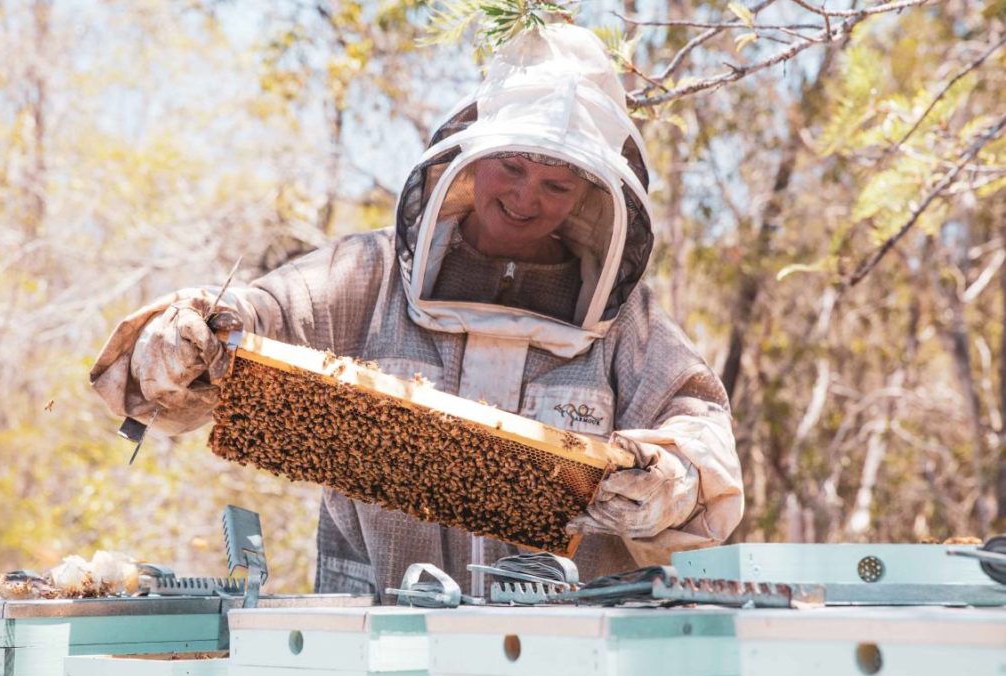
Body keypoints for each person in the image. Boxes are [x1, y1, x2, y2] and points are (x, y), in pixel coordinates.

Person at [90, 25, 743, 598]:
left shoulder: (626, 324)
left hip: (561, 654)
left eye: (556, 184)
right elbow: (258, 316)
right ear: (472, 159)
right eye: (510, 167)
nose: (525, 196)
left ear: (589, 195)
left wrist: (672, 480)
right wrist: (187, 333)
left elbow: (698, 431)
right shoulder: (367, 278)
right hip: (373, 636)